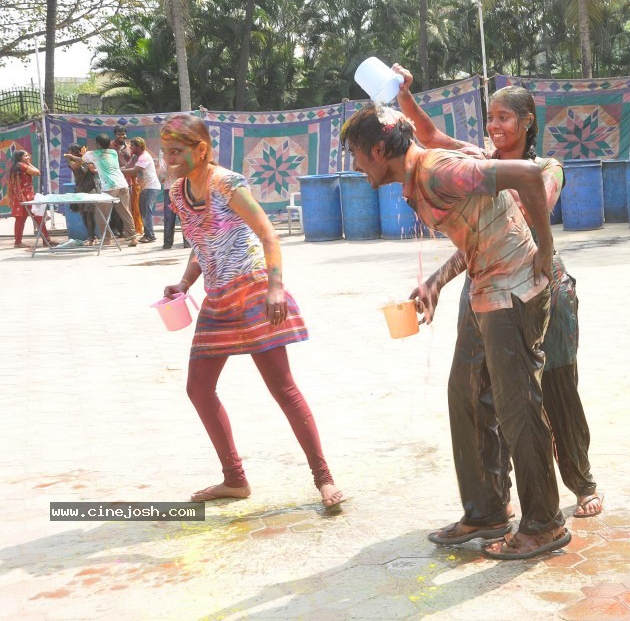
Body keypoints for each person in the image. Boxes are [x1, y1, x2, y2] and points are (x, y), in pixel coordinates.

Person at [341, 104, 570, 560]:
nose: (354, 165)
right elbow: (478, 226)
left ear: (380, 149)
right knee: (464, 393)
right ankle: (485, 510)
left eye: (356, 154)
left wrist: (545, 248)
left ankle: (544, 523)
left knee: (517, 406)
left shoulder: (439, 172)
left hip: (514, 289)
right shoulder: (419, 180)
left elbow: (528, 173)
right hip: (484, 285)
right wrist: (436, 282)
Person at [396, 66, 603, 519]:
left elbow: (528, 219)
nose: (494, 127)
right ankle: (499, 500)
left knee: (554, 388)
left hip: (537, 284)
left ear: (528, 121)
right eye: (490, 118)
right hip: (485, 286)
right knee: (491, 396)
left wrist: (439, 276)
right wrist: (404, 93)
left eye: (504, 118)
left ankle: (580, 481)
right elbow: (428, 135)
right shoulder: (477, 162)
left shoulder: (546, 169)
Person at [159, 114, 343, 510]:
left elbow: (267, 232)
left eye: (176, 151)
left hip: (255, 289)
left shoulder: (228, 183)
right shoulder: (178, 192)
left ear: (201, 149)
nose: (168, 159)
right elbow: (202, 240)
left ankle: (324, 479)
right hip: (218, 296)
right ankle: (234, 480)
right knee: (198, 388)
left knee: (283, 387)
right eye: (166, 151)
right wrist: (185, 283)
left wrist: (275, 286)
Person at [83, 133, 138, 246]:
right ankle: (133, 238)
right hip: (122, 184)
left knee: (101, 214)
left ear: (97, 144)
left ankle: (106, 239)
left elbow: (81, 159)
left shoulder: (93, 154)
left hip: (110, 187)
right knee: (125, 212)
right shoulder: (113, 152)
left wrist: (73, 156)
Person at [7, 150, 54, 249]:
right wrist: (28, 163)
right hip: (27, 196)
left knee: (20, 220)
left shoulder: (14, 167)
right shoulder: (23, 166)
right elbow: (37, 172)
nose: (28, 157)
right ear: (20, 158)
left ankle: (18, 242)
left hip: (19, 197)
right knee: (38, 217)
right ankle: (47, 240)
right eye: (25, 156)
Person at [123, 137, 161, 243]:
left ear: (139, 147)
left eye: (132, 146)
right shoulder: (136, 156)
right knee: (143, 211)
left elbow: (134, 170)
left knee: (146, 211)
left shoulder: (144, 157)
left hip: (151, 187)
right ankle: (147, 234)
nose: (130, 147)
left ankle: (150, 235)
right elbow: (127, 166)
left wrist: (119, 171)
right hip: (146, 187)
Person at [65, 144, 102, 245]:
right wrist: (81, 157)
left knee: (89, 213)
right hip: (80, 189)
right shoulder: (71, 160)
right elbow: (75, 165)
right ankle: (91, 236)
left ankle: (92, 238)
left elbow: (92, 168)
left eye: (73, 152)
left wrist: (85, 156)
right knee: (84, 215)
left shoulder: (87, 158)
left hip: (91, 188)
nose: (71, 153)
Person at [112, 124, 144, 237]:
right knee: (115, 206)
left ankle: (123, 230)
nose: (122, 136)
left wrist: (127, 156)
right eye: (119, 134)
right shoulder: (111, 146)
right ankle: (114, 229)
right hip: (114, 179)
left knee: (126, 206)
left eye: (123, 134)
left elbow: (135, 160)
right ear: (115, 135)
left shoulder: (129, 146)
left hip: (128, 180)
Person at [159, 151, 190, 250]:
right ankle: (186, 242)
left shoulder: (165, 154)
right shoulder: (180, 153)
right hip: (179, 188)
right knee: (182, 216)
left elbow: (163, 173)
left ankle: (168, 243)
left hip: (174, 188)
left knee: (170, 216)